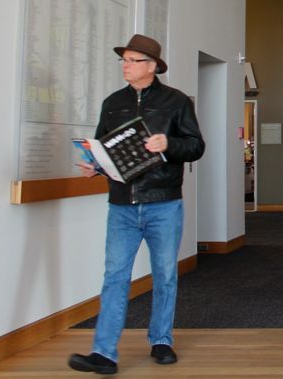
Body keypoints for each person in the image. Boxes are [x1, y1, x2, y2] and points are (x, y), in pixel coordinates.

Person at [68, 34, 205, 375]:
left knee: (165, 275)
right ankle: (104, 353)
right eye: (124, 60)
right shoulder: (112, 103)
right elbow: (103, 147)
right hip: (121, 205)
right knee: (115, 276)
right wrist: (95, 165)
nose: (125, 66)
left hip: (163, 203)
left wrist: (169, 143)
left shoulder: (176, 101)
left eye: (132, 60)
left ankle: (161, 341)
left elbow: (196, 146)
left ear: (152, 66)